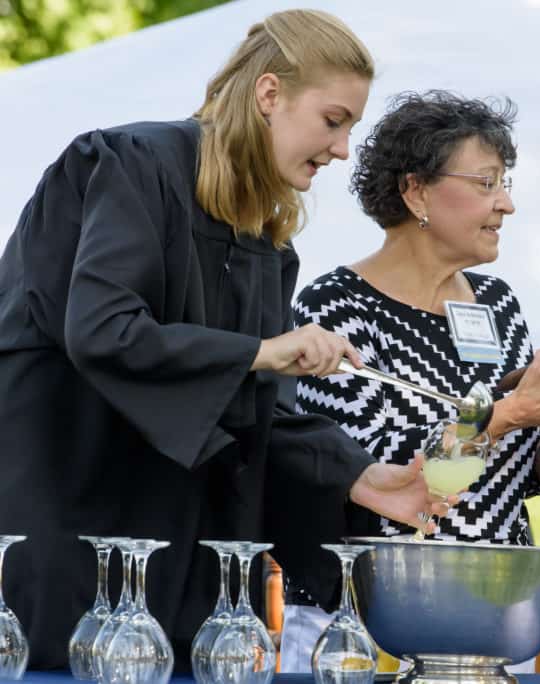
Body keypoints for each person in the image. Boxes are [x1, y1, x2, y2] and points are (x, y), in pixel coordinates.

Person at [0, 10, 451, 671]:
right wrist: (262, 351)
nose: (344, 149)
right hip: (65, 510)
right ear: (270, 95)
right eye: (333, 120)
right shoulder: (129, 165)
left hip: (178, 539)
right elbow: (101, 328)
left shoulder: (266, 242)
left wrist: (358, 476)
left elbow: (256, 409)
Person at [279, 90, 540, 671]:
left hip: (493, 616)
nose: (506, 204)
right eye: (487, 184)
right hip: (366, 624)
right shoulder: (338, 307)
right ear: (415, 191)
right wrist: (508, 414)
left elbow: (506, 478)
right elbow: (376, 474)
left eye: (506, 183)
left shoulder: (498, 304)